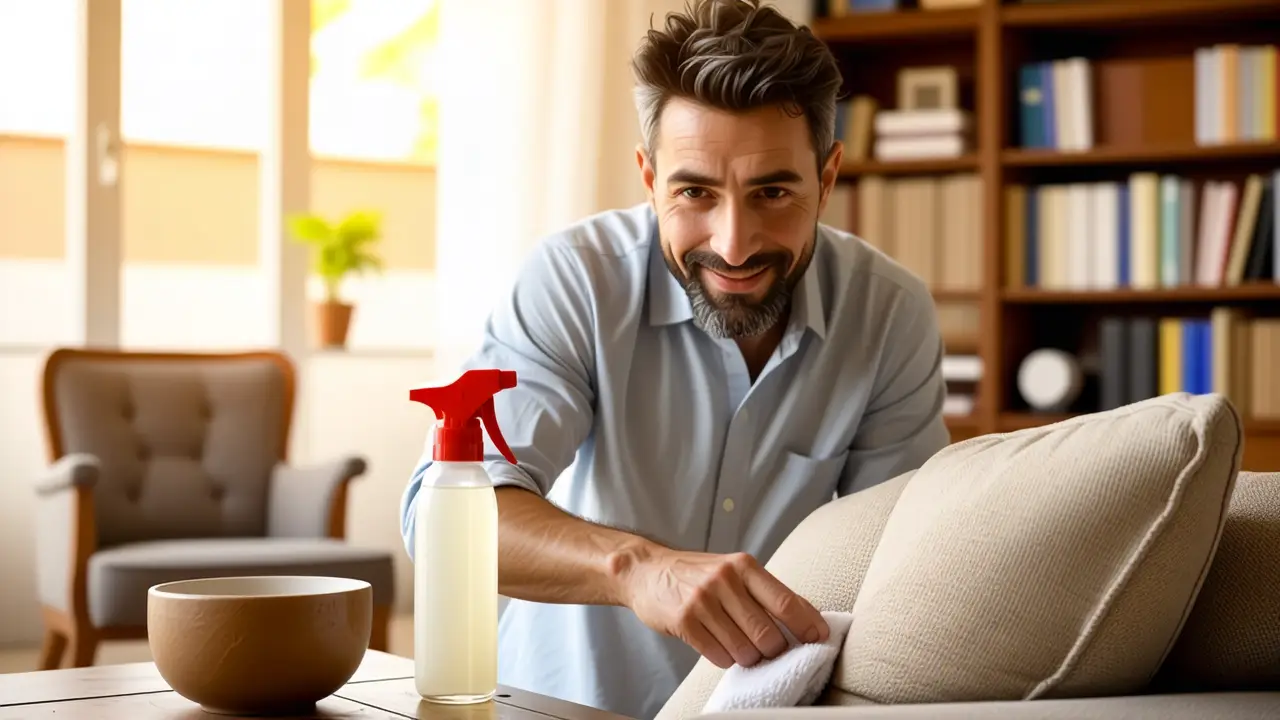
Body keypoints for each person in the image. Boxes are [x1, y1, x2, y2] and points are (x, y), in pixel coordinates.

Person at [399, 1, 949, 717]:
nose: (734, 243)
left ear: (830, 175)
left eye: (773, 192)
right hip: (557, 704)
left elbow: (903, 561)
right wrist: (636, 569)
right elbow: (445, 527)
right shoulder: (576, 280)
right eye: (695, 191)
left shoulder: (890, 312)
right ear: (649, 177)